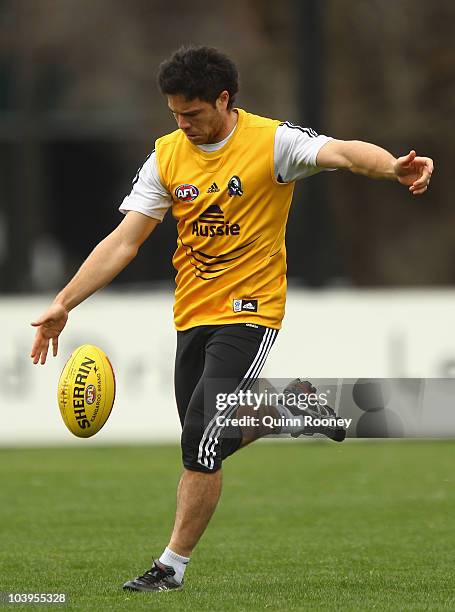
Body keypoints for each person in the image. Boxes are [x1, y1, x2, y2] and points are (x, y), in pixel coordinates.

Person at [30, 45, 433, 593]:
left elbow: (340, 152)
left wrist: (392, 167)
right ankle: (283, 407)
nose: (183, 124)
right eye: (174, 113)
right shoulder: (166, 156)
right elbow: (124, 241)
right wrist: (64, 302)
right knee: (205, 441)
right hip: (193, 312)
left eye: (192, 113)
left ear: (223, 99)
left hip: (252, 309)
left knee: (199, 435)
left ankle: (170, 567)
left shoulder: (273, 143)